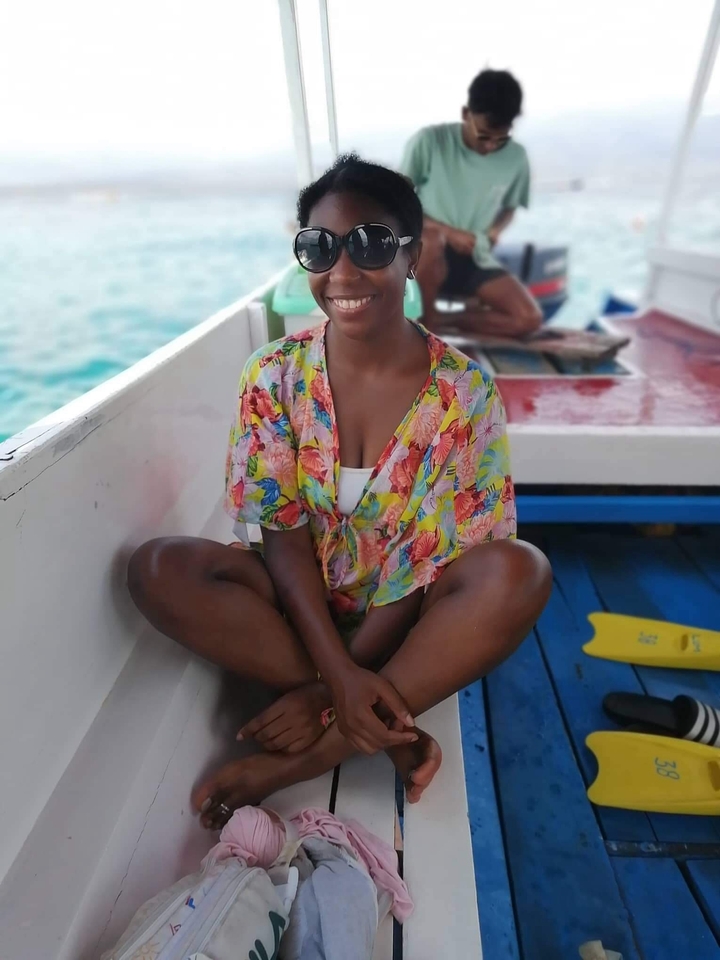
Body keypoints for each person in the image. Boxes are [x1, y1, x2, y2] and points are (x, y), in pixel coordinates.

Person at [127, 155, 551, 830]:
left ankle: (304, 758)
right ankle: (389, 724)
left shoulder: (464, 395)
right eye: (319, 247)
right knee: (159, 568)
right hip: (295, 609)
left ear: (413, 256)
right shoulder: (274, 375)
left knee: (520, 570)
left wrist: (328, 701)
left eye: (372, 243)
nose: (344, 271)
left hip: (405, 618)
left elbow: (425, 569)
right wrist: (336, 679)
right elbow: (283, 536)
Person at [400, 69, 543, 338]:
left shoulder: (516, 157)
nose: (490, 146)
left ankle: (435, 321)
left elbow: (510, 208)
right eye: (484, 135)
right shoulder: (430, 142)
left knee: (528, 319)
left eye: (501, 139)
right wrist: (448, 232)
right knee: (431, 241)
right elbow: (397, 201)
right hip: (424, 254)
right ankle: (425, 324)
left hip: (475, 255)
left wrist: (496, 230)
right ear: (466, 113)